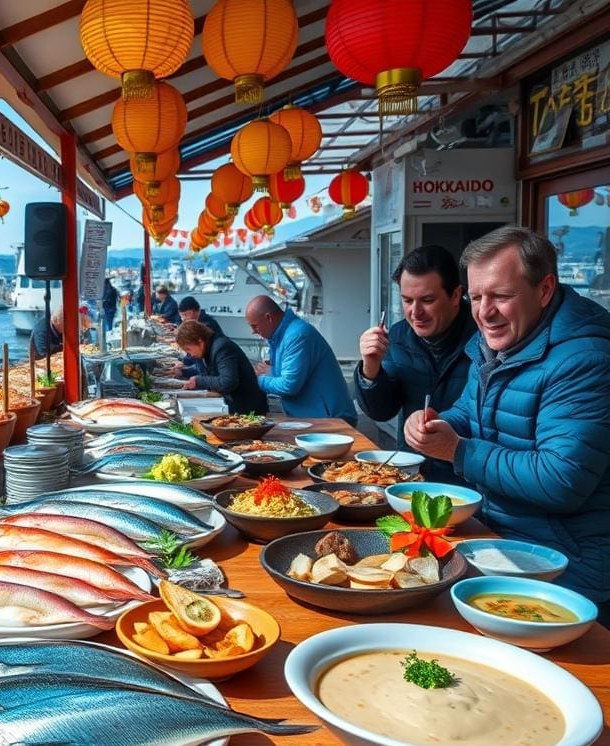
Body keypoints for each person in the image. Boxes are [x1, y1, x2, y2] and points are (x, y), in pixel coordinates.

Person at [404, 226, 610, 609]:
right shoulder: (499, 344)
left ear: (545, 290)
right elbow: (469, 412)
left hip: (564, 570)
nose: (484, 312)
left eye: (501, 296)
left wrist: (459, 451)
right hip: (501, 542)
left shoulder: (586, 360)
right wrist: (435, 423)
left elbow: (561, 479)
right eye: (477, 297)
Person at [354, 245, 478, 482]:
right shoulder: (399, 336)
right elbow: (381, 411)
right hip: (412, 473)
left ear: (455, 295)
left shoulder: (485, 337)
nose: (415, 312)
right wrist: (370, 367)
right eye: (407, 300)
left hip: (469, 478)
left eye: (427, 300)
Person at [245, 295, 357, 424]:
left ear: (268, 318)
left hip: (331, 419)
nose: (253, 331)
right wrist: (273, 372)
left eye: (255, 326)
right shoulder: (284, 334)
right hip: (317, 417)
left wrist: (259, 379)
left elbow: (289, 385)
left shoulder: (297, 336)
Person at [176, 321, 268, 415]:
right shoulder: (207, 349)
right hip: (233, 403)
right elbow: (204, 371)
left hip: (247, 408)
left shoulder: (222, 348)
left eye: (188, 349)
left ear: (199, 341)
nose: (190, 355)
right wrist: (184, 372)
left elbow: (228, 382)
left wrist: (199, 380)